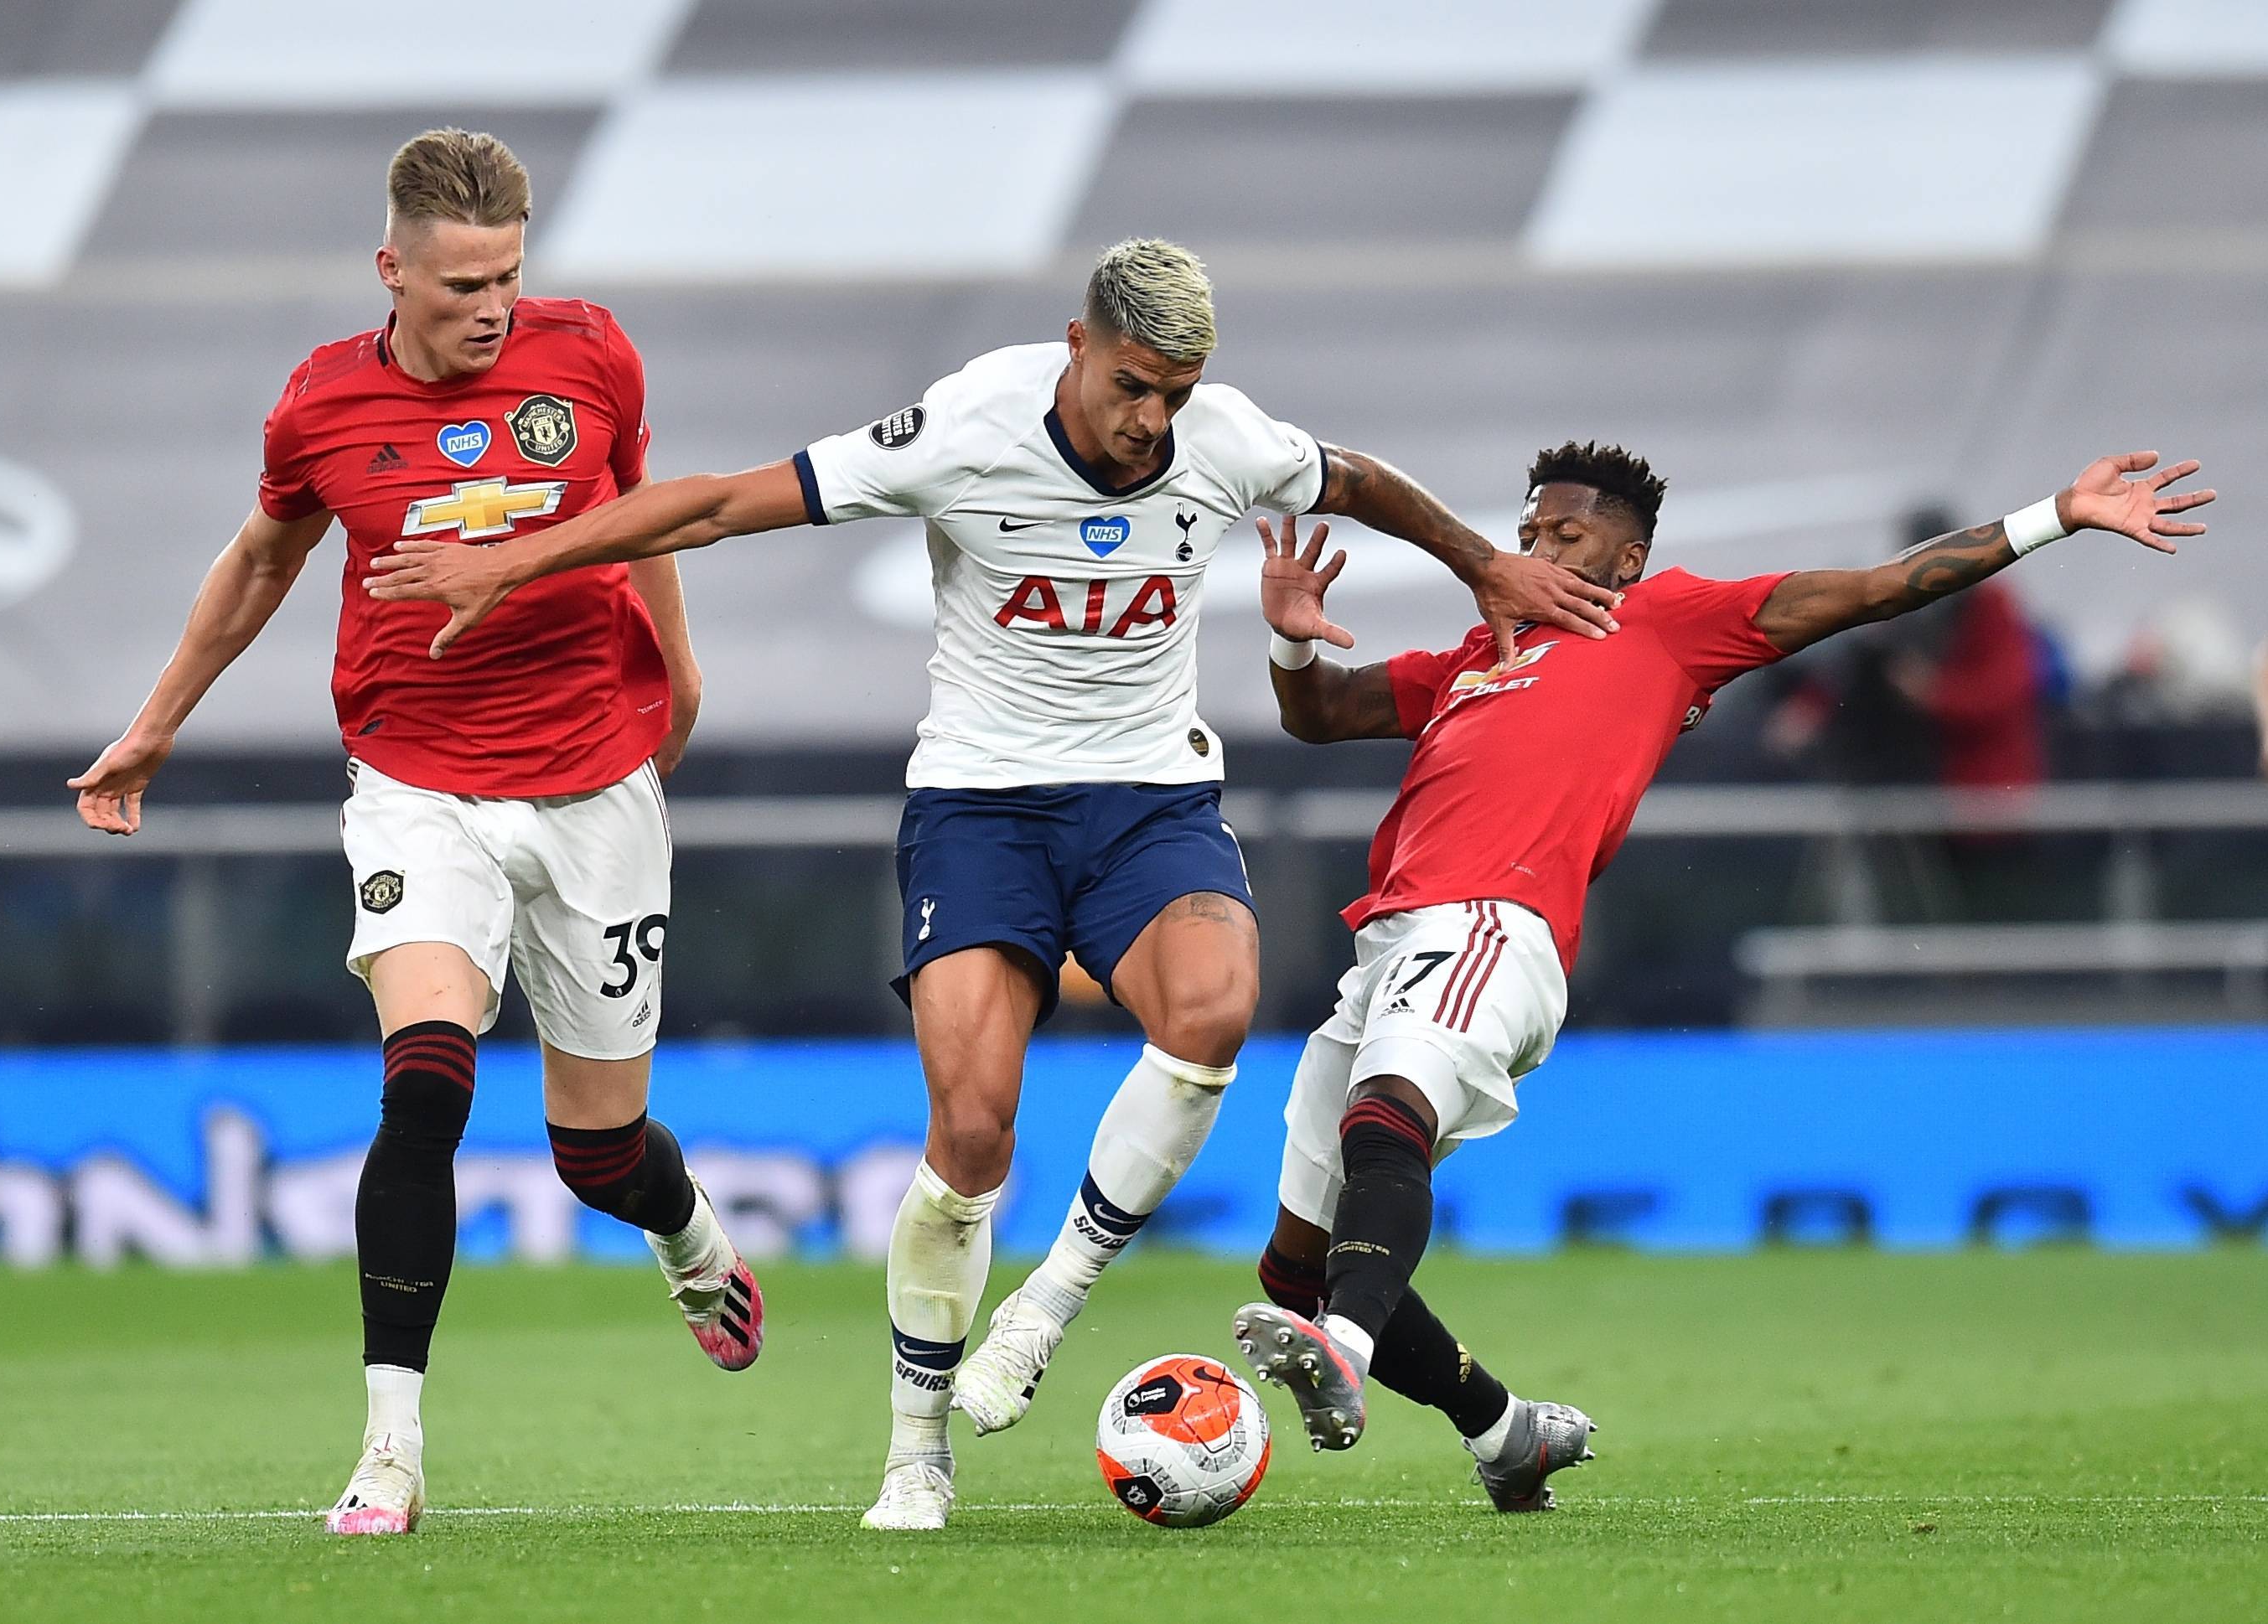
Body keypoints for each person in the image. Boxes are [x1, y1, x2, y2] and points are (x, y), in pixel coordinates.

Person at [363, 238, 1623, 1530]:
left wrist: (1480, 559)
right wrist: (520, 556)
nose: (1153, 421)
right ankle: (917, 1444)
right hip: (980, 809)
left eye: (1176, 395)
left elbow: (1352, 478)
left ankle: (1047, 1304)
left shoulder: (1222, 437)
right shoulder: (966, 424)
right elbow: (718, 504)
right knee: (970, 1133)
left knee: (1213, 1008)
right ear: (1078, 347)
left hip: (1149, 803)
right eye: (1134, 386)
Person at [1233, 439, 2212, 1509]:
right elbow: (1320, 714)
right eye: (1526, 534)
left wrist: (2055, 515)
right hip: (1386, 938)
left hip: (1491, 921)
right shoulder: (1484, 646)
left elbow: (1880, 590)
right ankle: (1507, 1433)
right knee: (1295, 1260)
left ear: (1629, 552)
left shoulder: (1667, 623)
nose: (1536, 549)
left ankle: (1343, 1349)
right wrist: (1289, 645)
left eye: (1565, 533)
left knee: (1390, 1115)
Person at [67, 129, 764, 1538]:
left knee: (598, 1154)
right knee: (427, 1083)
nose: (491, 306)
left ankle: (684, 1236)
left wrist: (678, 675)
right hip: (418, 785)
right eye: (459, 285)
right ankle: (389, 1449)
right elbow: (263, 556)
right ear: (392, 270)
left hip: (592, 789)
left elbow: (639, 518)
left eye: (506, 275)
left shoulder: (593, 358)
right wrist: (156, 720)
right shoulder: (322, 404)